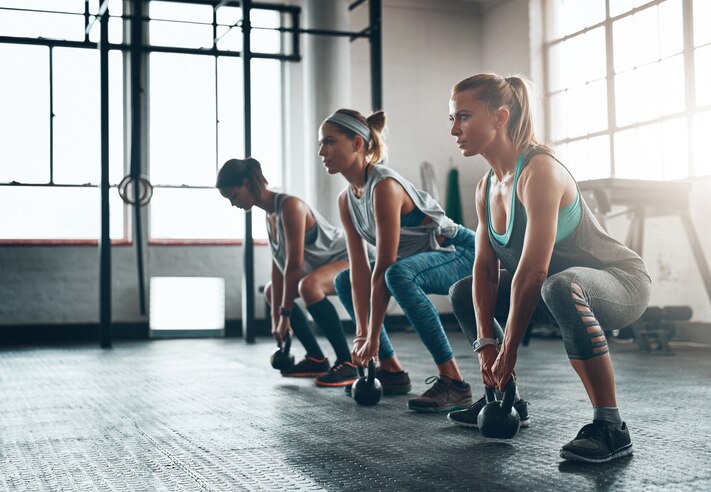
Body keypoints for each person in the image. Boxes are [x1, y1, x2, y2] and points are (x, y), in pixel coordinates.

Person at [445, 73, 651, 463]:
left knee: (559, 285)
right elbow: (485, 272)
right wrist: (486, 345)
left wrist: (509, 348)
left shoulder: (539, 172)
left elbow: (533, 272)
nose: (455, 129)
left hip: (620, 283)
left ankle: (611, 427)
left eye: (464, 117)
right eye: (452, 119)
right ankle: (506, 399)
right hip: (554, 287)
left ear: (499, 117)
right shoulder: (485, 187)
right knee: (463, 290)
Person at [319, 108, 476, 412]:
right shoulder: (346, 199)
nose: (321, 151)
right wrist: (363, 335)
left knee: (397, 274)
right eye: (321, 143)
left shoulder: (384, 187)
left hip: (462, 252)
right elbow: (361, 268)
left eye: (329, 142)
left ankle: (454, 381)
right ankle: (390, 370)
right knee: (344, 278)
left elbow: (386, 265)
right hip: (425, 259)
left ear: (357, 143)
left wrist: (372, 335)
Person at [216, 158, 358, 388]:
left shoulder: (290, 206)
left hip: (352, 257)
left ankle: (347, 363)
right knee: (273, 290)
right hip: (323, 264)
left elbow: (293, 265)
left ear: (247, 183)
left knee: (309, 286)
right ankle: (316, 359)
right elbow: (279, 265)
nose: (233, 204)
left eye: (233, 196)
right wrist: (276, 319)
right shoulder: (269, 214)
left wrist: (284, 317)